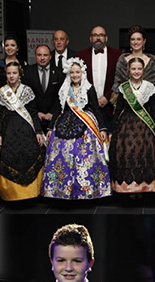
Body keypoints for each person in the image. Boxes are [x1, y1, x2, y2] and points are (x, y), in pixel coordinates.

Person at [42, 58, 110, 201]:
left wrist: (102, 128)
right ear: (68, 73)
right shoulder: (64, 89)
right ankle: (62, 191)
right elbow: (57, 108)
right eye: (72, 72)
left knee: (84, 158)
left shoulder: (88, 88)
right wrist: (50, 127)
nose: (74, 75)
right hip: (64, 124)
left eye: (77, 72)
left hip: (85, 124)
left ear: (82, 73)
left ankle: (86, 191)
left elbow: (96, 109)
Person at [109, 58, 155, 194]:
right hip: (126, 127)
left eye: (139, 69)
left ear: (143, 70)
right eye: (133, 69)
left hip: (145, 128)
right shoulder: (124, 88)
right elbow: (118, 109)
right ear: (129, 71)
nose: (136, 71)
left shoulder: (149, 87)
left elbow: (154, 111)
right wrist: (112, 130)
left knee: (143, 155)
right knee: (126, 154)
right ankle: (129, 189)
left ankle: (143, 188)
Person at [0, 62, 45, 201]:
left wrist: (38, 132)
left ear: (20, 74)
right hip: (8, 131)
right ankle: (11, 194)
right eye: (9, 73)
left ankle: (30, 193)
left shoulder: (27, 90)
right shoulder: (2, 91)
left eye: (14, 73)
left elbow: (33, 113)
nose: (11, 76)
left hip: (26, 130)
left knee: (29, 156)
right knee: (10, 157)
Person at [78, 26, 121, 127]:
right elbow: (78, 81)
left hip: (109, 107)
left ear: (106, 38)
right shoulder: (81, 55)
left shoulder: (117, 54)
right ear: (90, 38)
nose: (98, 38)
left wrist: (107, 97)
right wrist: (91, 99)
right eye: (95, 35)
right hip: (88, 108)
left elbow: (120, 80)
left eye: (101, 35)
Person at [23, 44, 61, 134]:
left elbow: (61, 96)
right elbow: (24, 95)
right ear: (35, 56)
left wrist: (52, 113)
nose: (42, 58)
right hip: (33, 117)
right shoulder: (27, 71)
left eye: (45, 55)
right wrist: (36, 113)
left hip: (54, 118)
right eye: (39, 55)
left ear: (50, 56)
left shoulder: (59, 72)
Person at [113, 26, 155, 94]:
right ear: (129, 41)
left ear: (144, 41)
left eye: (138, 39)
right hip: (126, 101)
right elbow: (117, 84)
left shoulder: (151, 61)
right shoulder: (122, 60)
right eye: (132, 39)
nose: (135, 42)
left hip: (147, 101)